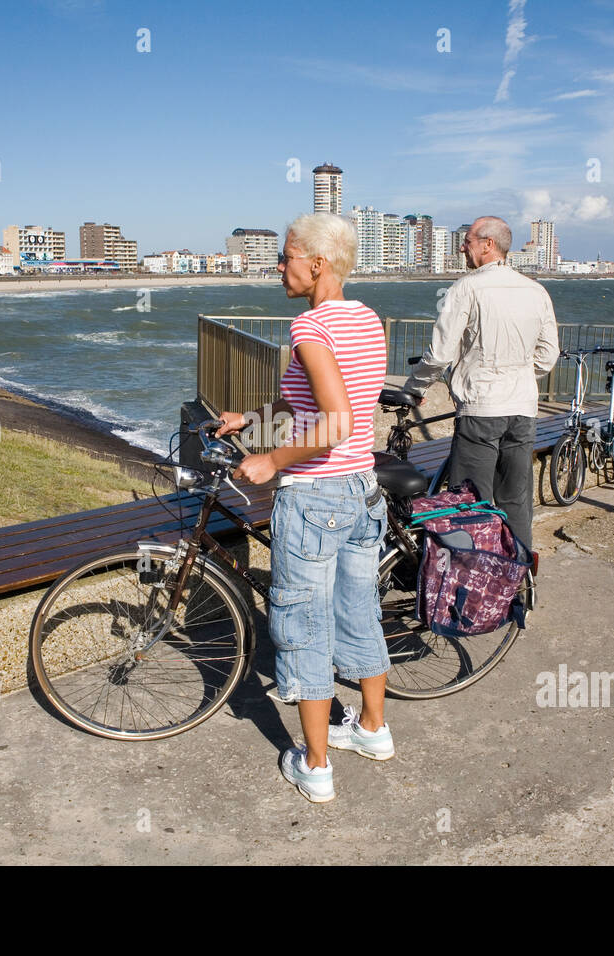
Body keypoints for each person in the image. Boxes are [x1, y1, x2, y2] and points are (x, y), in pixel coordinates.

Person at [217, 212, 391, 804]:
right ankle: (372, 729)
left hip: (315, 497)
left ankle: (314, 764)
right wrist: (251, 418)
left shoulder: (310, 328)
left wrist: (272, 461)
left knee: (307, 627)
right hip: (363, 492)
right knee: (359, 610)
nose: (279, 265)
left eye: (287, 256)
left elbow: (334, 420)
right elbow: (318, 402)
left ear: (317, 265)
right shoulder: (366, 319)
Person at [402, 215, 558, 552]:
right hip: (522, 410)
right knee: (515, 502)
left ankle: (473, 593)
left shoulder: (468, 287)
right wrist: (515, 374)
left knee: (470, 506)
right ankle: (516, 588)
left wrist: (414, 388)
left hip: (482, 410)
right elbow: (547, 356)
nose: (462, 246)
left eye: (468, 240)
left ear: (488, 245)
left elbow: (440, 353)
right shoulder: (536, 291)